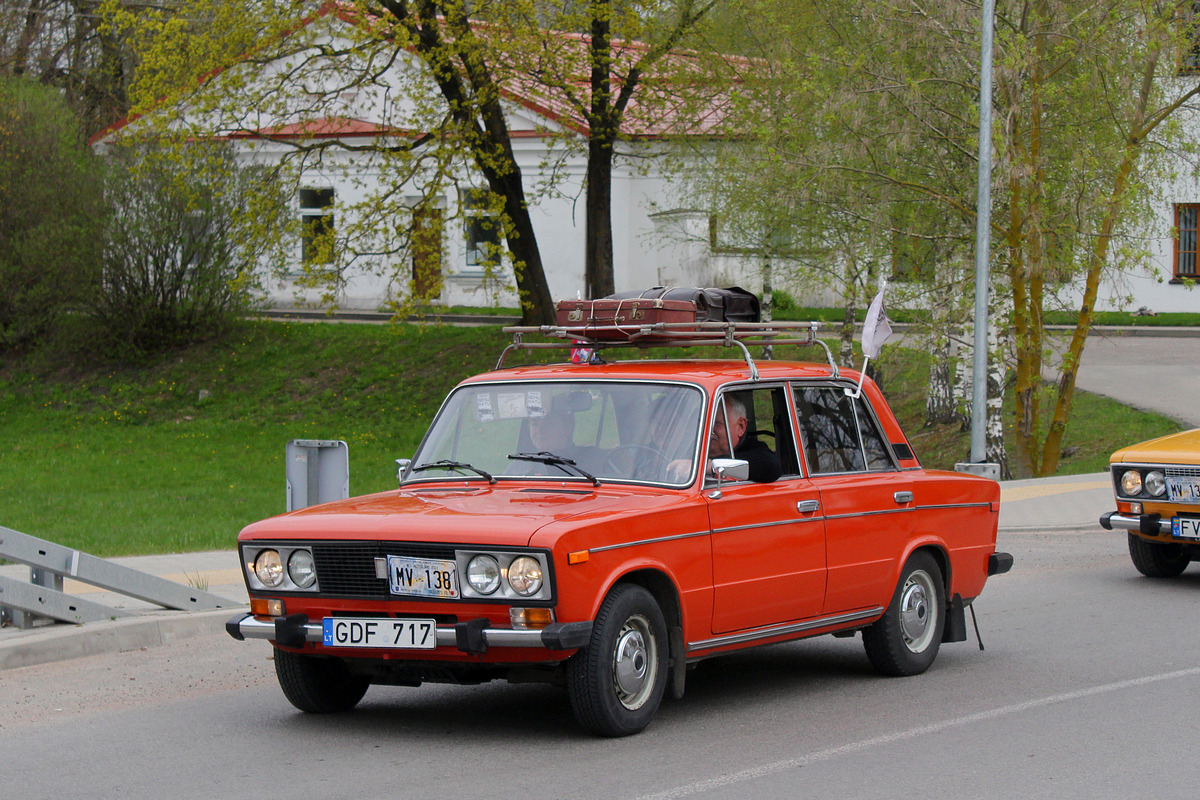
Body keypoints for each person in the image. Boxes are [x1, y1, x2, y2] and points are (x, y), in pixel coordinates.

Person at [708, 394, 782, 483]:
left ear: (740, 427)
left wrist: (709, 466)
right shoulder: (692, 446)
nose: (707, 429)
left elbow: (771, 465)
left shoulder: (755, 450)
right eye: (702, 422)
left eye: (716, 423)